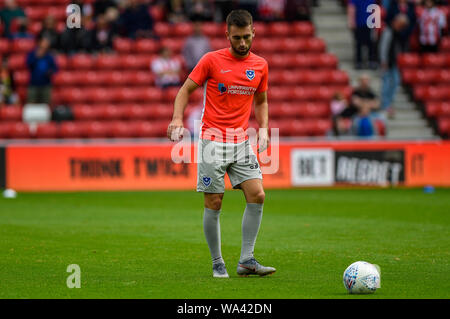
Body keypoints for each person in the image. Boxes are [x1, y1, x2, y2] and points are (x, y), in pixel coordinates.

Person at [167, 9, 275, 278]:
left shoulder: (260, 65)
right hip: (212, 140)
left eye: (246, 37)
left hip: (240, 140)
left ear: (253, 33)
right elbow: (185, 91)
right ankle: (217, 262)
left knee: (258, 194)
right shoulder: (211, 60)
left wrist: (262, 130)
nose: (242, 43)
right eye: (236, 38)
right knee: (214, 202)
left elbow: (261, 101)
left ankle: (247, 260)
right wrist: (177, 119)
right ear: (227, 34)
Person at [379, 13, 409, 117]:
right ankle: (385, 105)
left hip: (394, 63)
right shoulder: (388, 32)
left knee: (396, 82)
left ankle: (389, 103)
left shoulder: (398, 33)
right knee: (386, 83)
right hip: (387, 63)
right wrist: (383, 61)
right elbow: (383, 47)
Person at [26, 37, 58, 104]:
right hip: (33, 84)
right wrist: (36, 57)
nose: (45, 45)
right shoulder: (32, 54)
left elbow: (55, 68)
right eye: (43, 43)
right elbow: (28, 64)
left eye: (46, 43)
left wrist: (51, 72)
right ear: (39, 43)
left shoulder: (49, 56)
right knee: (31, 104)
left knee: (46, 105)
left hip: (46, 85)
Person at [347, 0, 378, 69]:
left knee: (371, 43)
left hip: (370, 24)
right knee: (358, 43)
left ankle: (371, 61)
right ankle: (359, 61)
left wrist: (376, 24)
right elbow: (351, 8)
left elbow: (375, 9)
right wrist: (351, 21)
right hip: (359, 23)